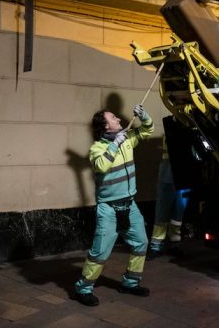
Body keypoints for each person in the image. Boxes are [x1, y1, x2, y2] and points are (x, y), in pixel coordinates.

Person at [74, 105, 154, 307]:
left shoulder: (127, 139)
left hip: (129, 204)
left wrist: (145, 117)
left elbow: (147, 130)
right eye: (113, 117)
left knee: (141, 243)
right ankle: (83, 288)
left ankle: (130, 283)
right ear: (105, 126)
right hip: (108, 208)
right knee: (100, 252)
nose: (119, 118)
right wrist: (114, 145)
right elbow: (101, 165)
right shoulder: (97, 148)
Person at [147, 137, 190, 259]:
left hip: (184, 169)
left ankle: (174, 243)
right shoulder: (172, 124)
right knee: (163, 210)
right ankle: (156, 245)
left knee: (178, 211)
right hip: (170, 168)